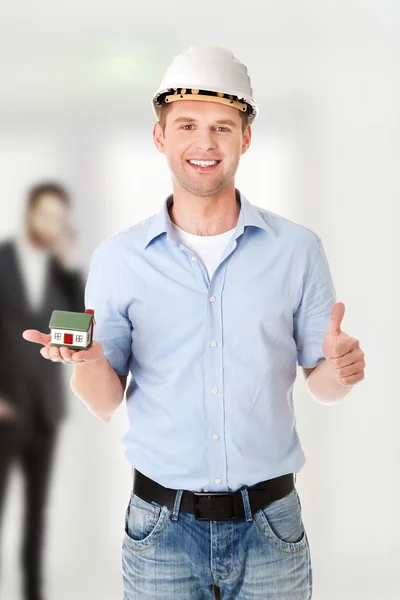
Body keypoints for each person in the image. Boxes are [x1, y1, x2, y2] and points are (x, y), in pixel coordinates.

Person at [22, 45, 365, 599]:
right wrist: (86, 362)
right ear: (161, 137)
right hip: (161, 533)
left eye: (222, 128)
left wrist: (341, 369)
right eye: (187, 125)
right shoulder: (119, 260)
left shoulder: (298, 251)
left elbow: (323, 386)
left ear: (245, 138)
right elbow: (106, 401)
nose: (204, 144)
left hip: (271, 528)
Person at [0, 181, 85, 600]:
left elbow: (77, 338)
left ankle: (33, 594)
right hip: (4, 409)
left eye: (59, 217)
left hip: (46, 411)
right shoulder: (1, 260)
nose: (52, 224)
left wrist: (70, 270)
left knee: (36, 516)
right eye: (45, 214)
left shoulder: (62, 273)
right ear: (30, 213)